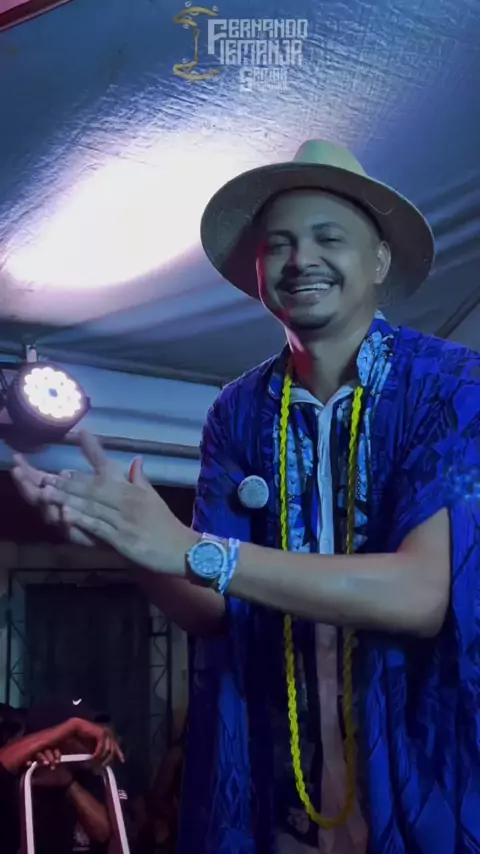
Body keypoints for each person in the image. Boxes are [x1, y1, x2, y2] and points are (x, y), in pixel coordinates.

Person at [10, 139, 480, 854]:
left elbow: (420, 595)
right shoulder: (237, 410)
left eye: (328, 238)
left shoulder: (449, 384)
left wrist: (199, 551)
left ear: (380, 261)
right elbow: (211, 611)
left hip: (425, 784)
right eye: (279, 244)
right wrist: (132, 542)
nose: (300, 259)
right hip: (277, 789)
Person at [0, 703, 124, 854]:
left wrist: (68, 784)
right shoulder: (21, 773)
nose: (97, 745)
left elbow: (104, 833)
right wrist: (72, 726)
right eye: (85, 737)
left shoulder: (88, 774)